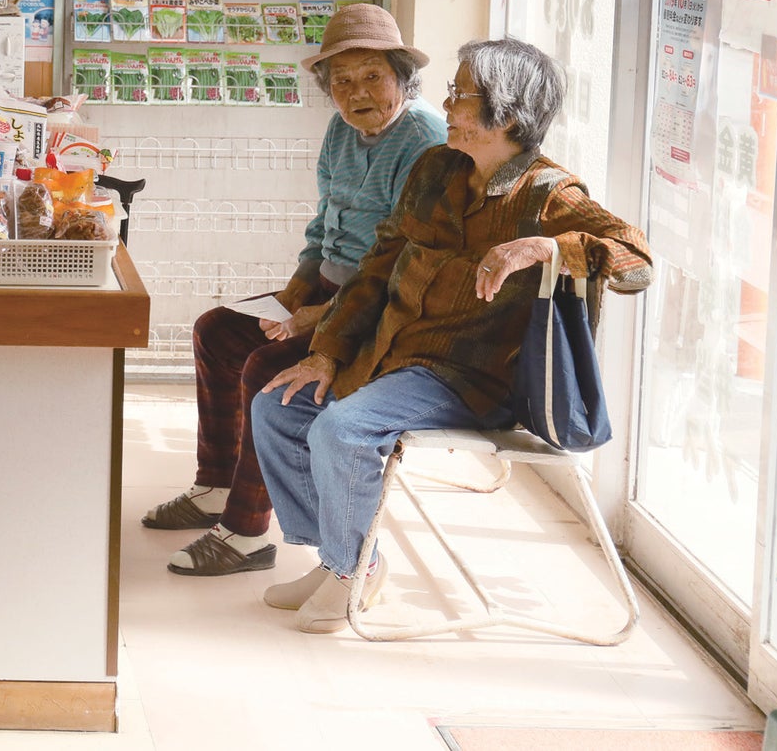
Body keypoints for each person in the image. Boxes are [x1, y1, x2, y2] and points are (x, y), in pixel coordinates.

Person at [251, 38, 652, 634]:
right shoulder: (438, 167)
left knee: (343, 428)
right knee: (278, 406)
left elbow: (638, 262)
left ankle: (347, 571)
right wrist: (328, 352)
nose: (447, 104)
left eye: (461, 95)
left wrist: (550, 247)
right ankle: (348, 558)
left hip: (468, 377)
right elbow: (382, 262)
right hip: (395, 354)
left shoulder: (550, 194)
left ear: (507, 114)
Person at [144, 3, 447, 578]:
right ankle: (215, 485)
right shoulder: (342, 130)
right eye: (341, 81)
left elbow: (401, 265)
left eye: (372, 76)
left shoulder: (425, 141)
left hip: (379, 313)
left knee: (268, 368)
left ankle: (246, 530)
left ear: (402, 76)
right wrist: (288, 300)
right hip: (329, 293)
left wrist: (318, 317)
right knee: (219, 331)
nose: (357, 93)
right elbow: (321, 233)